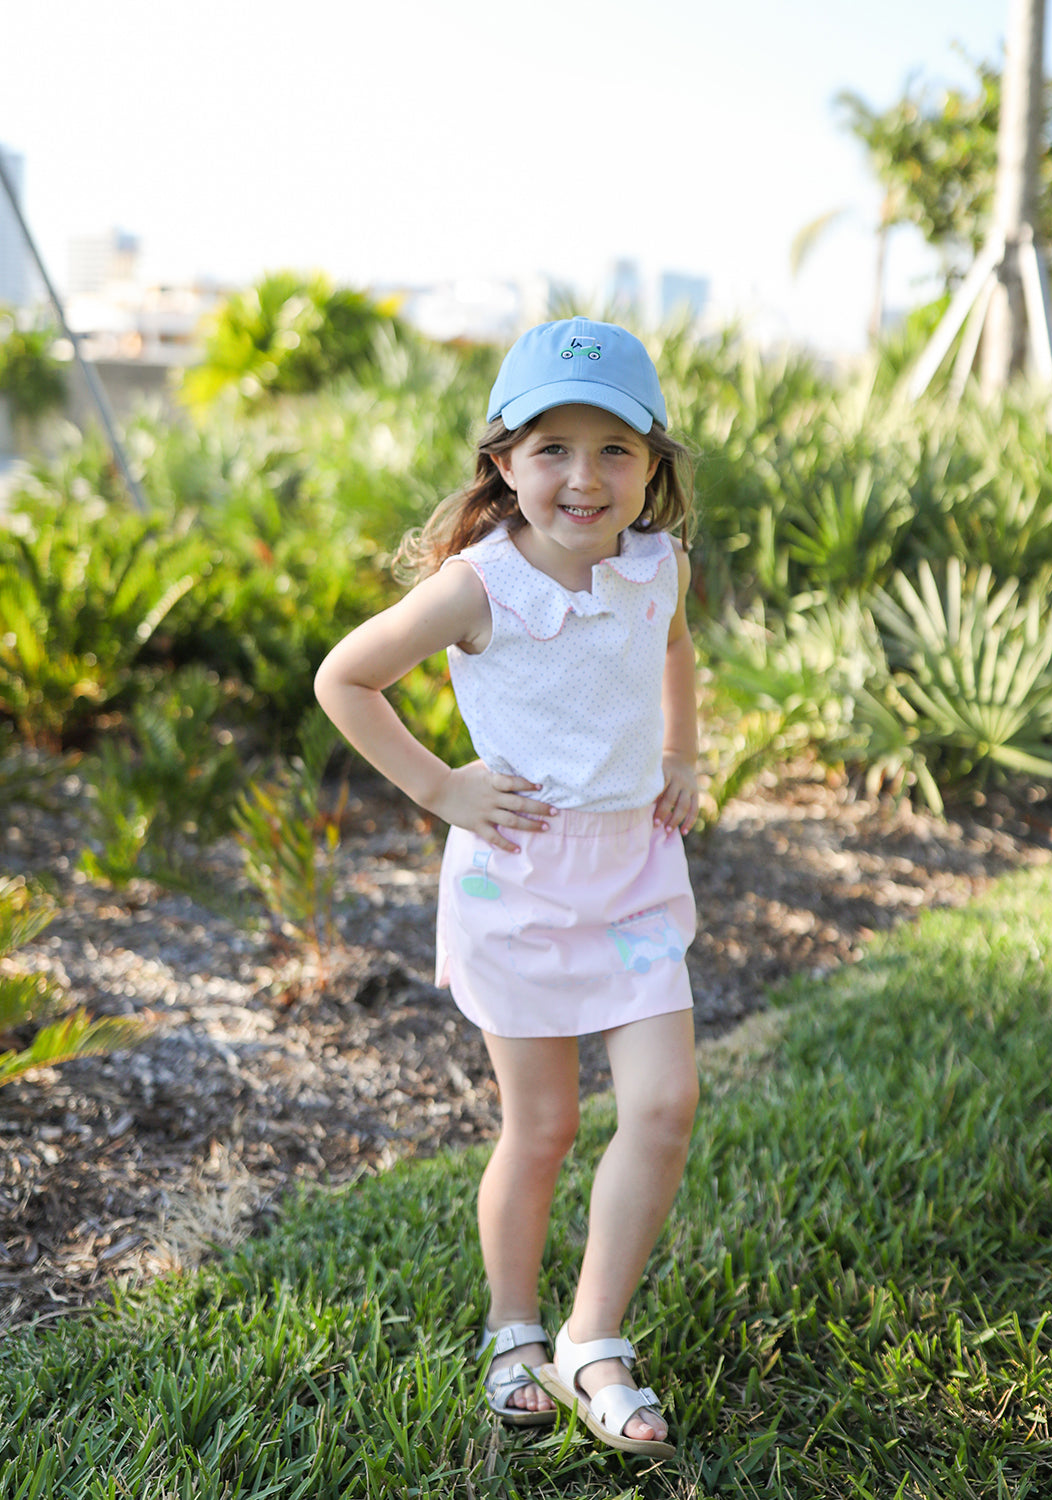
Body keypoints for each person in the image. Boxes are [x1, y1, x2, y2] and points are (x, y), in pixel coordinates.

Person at [314, 317, 700, 1460]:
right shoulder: (479, 587)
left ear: (652, 464)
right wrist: (443, 790)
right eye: (551, 449)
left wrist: (684, 753)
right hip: (520, 886)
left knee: (666, 1106)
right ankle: (512, 1326)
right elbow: (348, 678)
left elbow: (674, 647)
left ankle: (594, 1337)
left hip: (632, 878)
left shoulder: (655, 564)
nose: (584, 478)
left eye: (614, 451)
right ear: (502, 462)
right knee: (539, 1128)